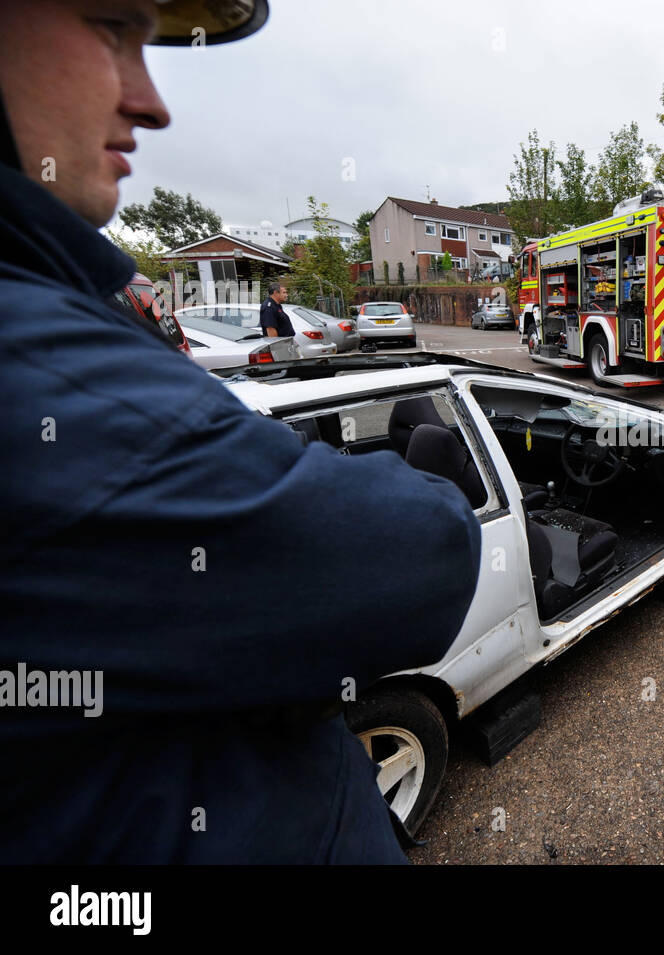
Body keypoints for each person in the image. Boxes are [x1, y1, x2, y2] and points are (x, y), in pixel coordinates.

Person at [0, 0, 482, 863]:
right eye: (113, 28)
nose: (153, 103)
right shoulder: (46, 369)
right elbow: (427, 552)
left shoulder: (68, 331)